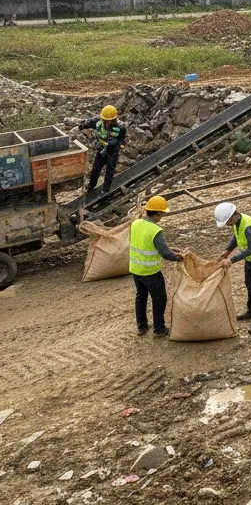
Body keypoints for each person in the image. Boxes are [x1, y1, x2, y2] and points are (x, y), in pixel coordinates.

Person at [215, 202, 251, 334]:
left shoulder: (249, 226)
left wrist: (231, 260)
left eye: (228, 222)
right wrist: (228, 250)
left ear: (233, 216)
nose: (228, 224)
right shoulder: (238, 223)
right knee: (248, 284)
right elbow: (236, 237)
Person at [130, 196, 182, 337]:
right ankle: (159, 329)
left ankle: (141, 327)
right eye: (162, 214)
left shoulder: (136, 223)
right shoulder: (156, 230)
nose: (162, 217)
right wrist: (179, 257)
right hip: (150, 272)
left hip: (135, 269)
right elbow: (165, 253)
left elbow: (145, 243)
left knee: (141, 297)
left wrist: (170, 249)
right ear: (157, 213)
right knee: (159, 298)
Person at [79, 105, 127, 194]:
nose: (107, 122)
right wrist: (83, 128)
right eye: (105, 120)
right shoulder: (98, 121)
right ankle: (91, 186)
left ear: (114, 119)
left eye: (109, 120)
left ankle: (105, 190)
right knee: (95, 171)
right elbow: (86, 123)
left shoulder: (121, 127)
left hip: (113, 152)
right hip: (101, 151)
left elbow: (122, 138)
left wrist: (121, 144)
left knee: (109, 172)